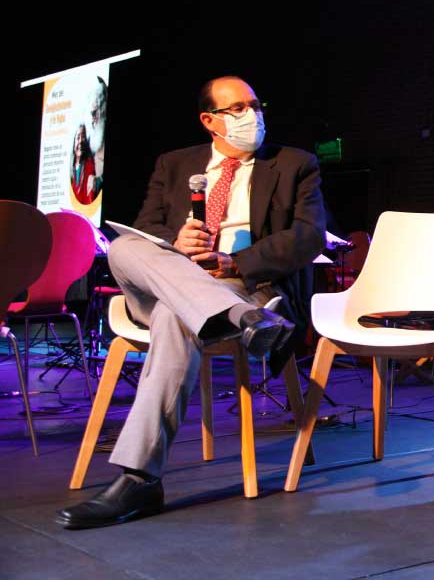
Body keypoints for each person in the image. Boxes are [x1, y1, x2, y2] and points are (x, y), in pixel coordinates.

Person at [57, 76, 325, 529]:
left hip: (240, 284)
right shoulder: (174, 164)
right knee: (123, 247)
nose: (253, 116)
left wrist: (234, 260)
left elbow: (308, 235)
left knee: (176, 317)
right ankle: (244, 321)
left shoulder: (295, 163)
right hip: (173, 284)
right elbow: (147, 226)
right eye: (238, 108)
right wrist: (174, 242)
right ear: (209, 120)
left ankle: (140, 479)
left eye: (256, 105)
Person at [70, 123, 101, 204]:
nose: (80, 140)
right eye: (78, 137)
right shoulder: (70, 171)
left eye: (83, 136)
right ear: (73, 143)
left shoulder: (90, 164)